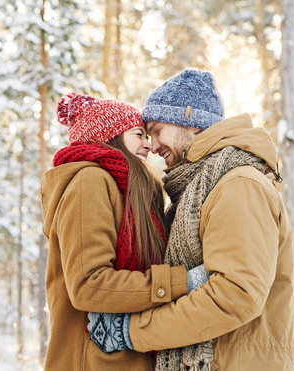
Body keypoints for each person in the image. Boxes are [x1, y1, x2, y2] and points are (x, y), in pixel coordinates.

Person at [88, 69, 294, 371]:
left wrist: (133, 331)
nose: (154, 145)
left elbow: (236, 294)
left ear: (191, 121)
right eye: (146, 135)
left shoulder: (238, 184)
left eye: (158, 129)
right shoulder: (200, 189)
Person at [41, 93, 207, 370]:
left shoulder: (135, 189)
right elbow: (88, 284)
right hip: (94, 360)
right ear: (110, 135)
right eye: (139, 134)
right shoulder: (89, 182)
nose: (148, 144)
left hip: (128, 355)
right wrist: (182, 282)